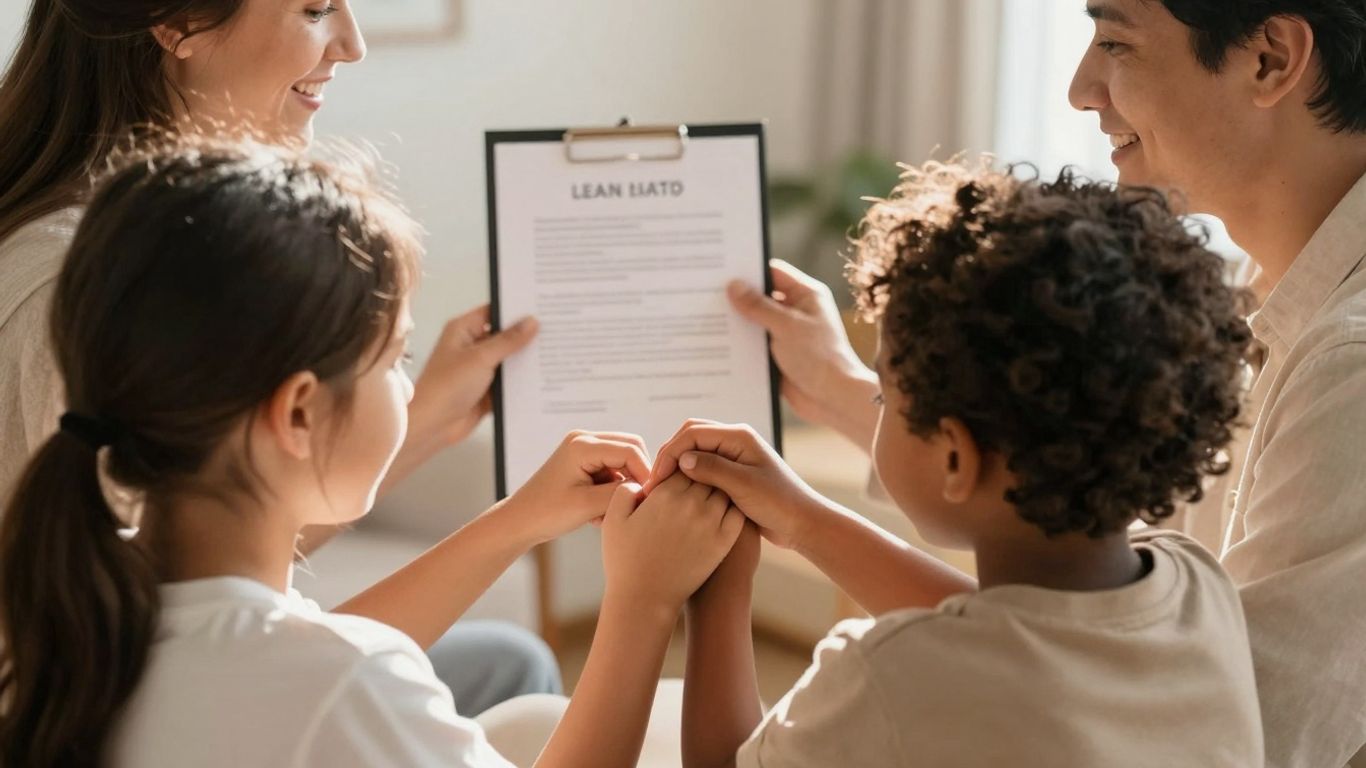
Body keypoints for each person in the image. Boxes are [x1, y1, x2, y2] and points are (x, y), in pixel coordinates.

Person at [727, 2, 1366, 763]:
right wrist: (840, 392)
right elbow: (1106, 645)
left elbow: (1182, 723)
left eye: (1116, 41)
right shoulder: (1241, 299)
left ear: (1269, 59)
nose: (1079, 88)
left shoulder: (1348, 369)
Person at [0, 137, 746, 767]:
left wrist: (518, 520)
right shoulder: (346, 686)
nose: (409, 384)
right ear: (297, 412)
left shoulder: (76, 616)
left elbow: (309, 650)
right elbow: (331, 671)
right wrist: (643, 603)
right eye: (396, 359)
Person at [0, 0, 556, 710]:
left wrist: (433, 418)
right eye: (315, 9)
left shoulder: (142, 247)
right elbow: (185, 681)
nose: (351, 45)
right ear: (178, 24)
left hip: (170, 682)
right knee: (513, 674)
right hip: (126, 710)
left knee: (507, 664)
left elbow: (219, 533)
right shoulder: (77, 295)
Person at [657, 161, 1262, 767]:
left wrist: (718, 591)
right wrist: (804, 520)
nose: (876, 404)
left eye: (883, 396)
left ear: (955, 456)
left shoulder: (890, 678)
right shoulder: (1197, 587)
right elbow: (1025, 634)